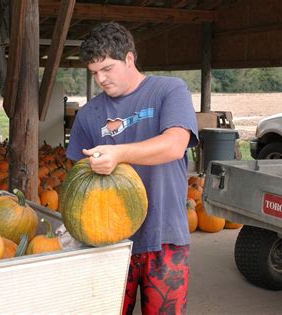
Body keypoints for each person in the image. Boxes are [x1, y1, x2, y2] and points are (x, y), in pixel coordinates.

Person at [66, 22, 199, 314]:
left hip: (164, 235)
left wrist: (118, 154)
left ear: (129, 58)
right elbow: (76, 178)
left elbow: (175, 145)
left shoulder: (169, 90)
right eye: (94, 72)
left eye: (107, 69)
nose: (100, 79)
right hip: (106, 242)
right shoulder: (89, 115)